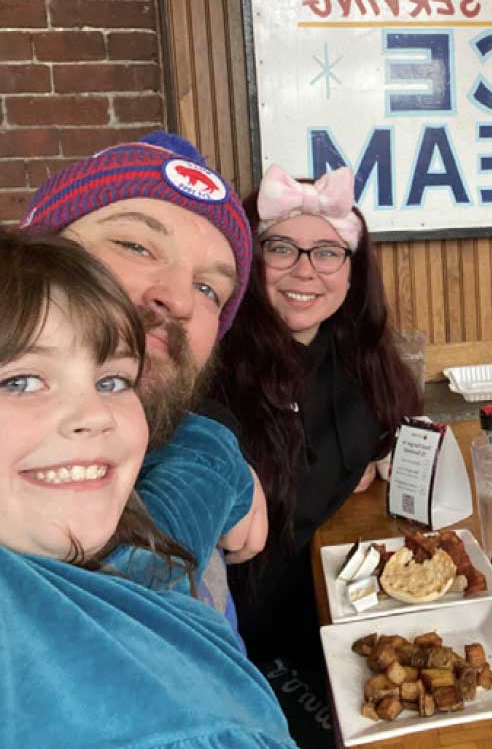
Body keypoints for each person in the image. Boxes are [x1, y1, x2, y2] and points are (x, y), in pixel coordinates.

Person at [0, 228, 297, 748]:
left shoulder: (134, 530)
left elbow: (184, 500)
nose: (94, 414)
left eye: (113, 381)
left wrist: (221, 449)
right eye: (20, 381)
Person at [20, 131, 266, 626]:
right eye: (136, 246)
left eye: (208, 288)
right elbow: (107, 613)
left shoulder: (159, 442)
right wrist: (212, 462)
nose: (178, 298)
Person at [211, 165, 422, 668]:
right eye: (280, 248)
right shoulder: (211, 373)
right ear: (247, 261)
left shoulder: (360, 360)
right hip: (247, 654)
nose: (305, 271)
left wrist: (371, 460)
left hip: (338, 626)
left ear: (352, 271)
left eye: (327, 252)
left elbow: (386, 435)